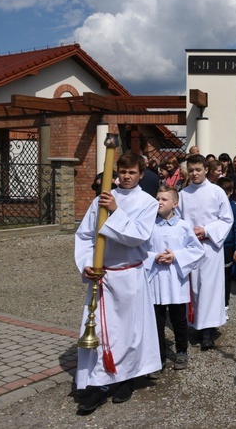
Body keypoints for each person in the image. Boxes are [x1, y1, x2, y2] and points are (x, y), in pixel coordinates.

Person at [74, 152, 160, 413]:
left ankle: (127, 379)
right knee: (100, 331)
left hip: (130, 275)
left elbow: (138, 236)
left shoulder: (147, 202)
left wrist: (115, 211)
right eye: (122, 172)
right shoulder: (100, 199)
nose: (126, 177)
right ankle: (98, 384)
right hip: (103, 275)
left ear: (141, 175)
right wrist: (87, 264)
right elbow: (86, 235)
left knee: (129, 333)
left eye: (132, 172)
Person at [144, 186, 204, 377]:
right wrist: (154, 257)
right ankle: (158, 357)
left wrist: (176, 256)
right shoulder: (148, 225)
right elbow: (139, 250)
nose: (159, 202)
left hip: (176, 280)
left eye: (164, 199)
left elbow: (197, 250)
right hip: (155, 280)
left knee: (178, 319)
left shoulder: (183, 226)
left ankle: (181, 351)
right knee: (157, 321)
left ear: (175, 204)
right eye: (157, 198)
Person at [177, 154, 234, 350]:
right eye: (191, 170)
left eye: (198, 170)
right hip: (190, 248)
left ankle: (208, 330)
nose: (194, 174)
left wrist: (207, 230)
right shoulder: (183, 194)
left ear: (206, 170)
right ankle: (195, 324)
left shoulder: (216, 192)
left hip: (210, 247)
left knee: (209, 287)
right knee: (193, 288)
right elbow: (178, 221)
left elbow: (227, 219)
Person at [216, 177, 236, 315]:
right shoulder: (213, 207)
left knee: (226, 277)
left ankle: (225, 304)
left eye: (226, 192)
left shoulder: (233, 207)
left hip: (228, 246)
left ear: (231, 192)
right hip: (215, 245)